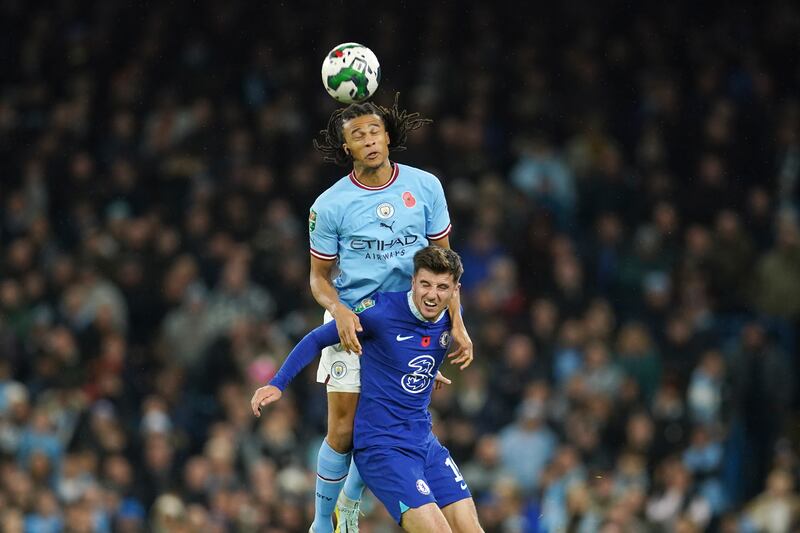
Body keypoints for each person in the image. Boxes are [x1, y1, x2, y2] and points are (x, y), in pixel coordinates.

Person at [304, 94, 473, 532]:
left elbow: (445, 263)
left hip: (411, 322)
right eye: (357, 135)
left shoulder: (425, 187)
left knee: (387, 421)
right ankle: (325, 522)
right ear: (347, 148)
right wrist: (337, 309)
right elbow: (318, 278)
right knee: (342, 429)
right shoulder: (329, 205)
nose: (369, 140)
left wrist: (457, 323)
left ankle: (350, 503)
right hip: (354, 319)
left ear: (388, 136)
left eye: (374, 131)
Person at [251, 246, 483, 532]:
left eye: (442, 287)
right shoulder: (380, 312)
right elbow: (316, 339)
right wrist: (278, 383)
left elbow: (412, 351)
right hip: (383, 449)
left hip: (425, 442)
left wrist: (424, 370)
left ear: (454, 290)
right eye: (425, 284)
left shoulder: (451, 319)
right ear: (413, 281)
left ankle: (346, 502)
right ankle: (328, 516)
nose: (432, 295)